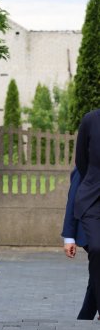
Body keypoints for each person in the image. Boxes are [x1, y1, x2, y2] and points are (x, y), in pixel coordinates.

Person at [74, 109, 100, 318]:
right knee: (97, 249)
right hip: (93, 199)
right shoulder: (91, 120)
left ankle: (87, 314)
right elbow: (81, 162)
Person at [62, 167, 96, 320]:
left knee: (96, 273)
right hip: (90, 229)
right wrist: (69, 238)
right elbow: (72, 202)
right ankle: (85, 316)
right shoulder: (84, 169)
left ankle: (85, 316)